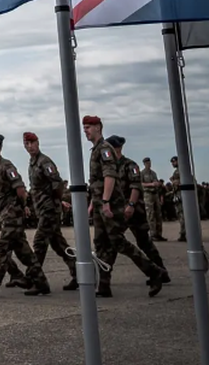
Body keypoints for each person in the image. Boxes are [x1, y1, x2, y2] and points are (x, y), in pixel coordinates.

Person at [83, 116, 162, 298]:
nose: (85, 130)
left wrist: (105, 202)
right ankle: (104, 285)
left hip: (109, 204)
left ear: (98, 128)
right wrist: (93, 204)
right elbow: (97, 181)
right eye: (84, 127)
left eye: (88, 127)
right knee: (102, 244)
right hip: (99, 204)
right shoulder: (96, 150)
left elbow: (109, 176)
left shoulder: (104, 149)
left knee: (118, 242)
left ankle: (154, 271)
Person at [0, 134, 47, 297]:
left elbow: (20, 189)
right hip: (7, 215)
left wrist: (21, 207)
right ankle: (41, 283)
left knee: (3, 251)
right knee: (24, 253)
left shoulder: (6, 166)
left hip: (12, 216)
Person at [23, 132, 76, 290]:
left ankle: (37, 281)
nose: (30, 146)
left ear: (38, 143)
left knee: (39, 242)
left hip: (49, 209)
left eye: (32, 142)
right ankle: (79, 274)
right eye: (27, 143)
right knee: (59, 244)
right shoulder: (33, 163)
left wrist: (56, 201)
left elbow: (57, 183)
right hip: (42, 208)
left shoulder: (44, 161)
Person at [111, 138, 169, 282]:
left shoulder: (130, 165)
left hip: (134, 210)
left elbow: (136, 186)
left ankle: (161, 272)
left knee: (144, 242)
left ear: (117, 148)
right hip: (119, 210)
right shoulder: (111, 166)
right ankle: (103, 278)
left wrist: (131, 204)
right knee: (113, 241)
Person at [139, 158, 165, 241]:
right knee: (150, 215)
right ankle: (153, 234)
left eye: (149, 162)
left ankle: (159, 234)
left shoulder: (153, 173)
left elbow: (156, 181)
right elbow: (141, 184)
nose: (148, 164)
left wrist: (157, 184)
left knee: (158, 215)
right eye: (147, 163)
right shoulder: (142, 173)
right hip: (148, 195)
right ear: (144, 164)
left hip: (155, 194)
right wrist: (151, 184)